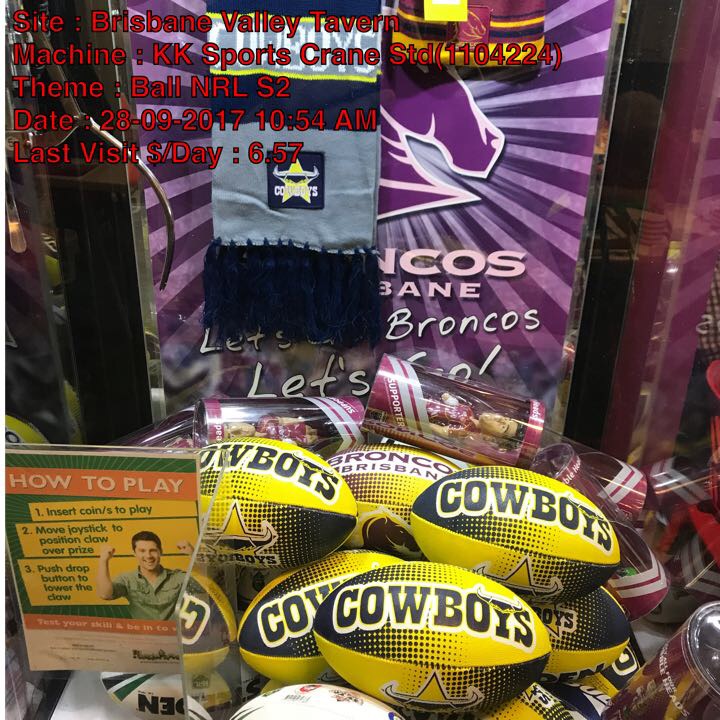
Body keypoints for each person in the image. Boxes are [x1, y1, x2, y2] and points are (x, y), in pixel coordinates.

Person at [95, 531, 194, 620]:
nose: (148, 556)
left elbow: (202, 586)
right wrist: (103, 560)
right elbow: (105, 594)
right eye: (142, 551)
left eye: (153, 550)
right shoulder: (127, 579)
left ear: (161, 551)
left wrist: (193, 555)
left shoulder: (177, 577)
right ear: (134, 553)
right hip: (142, 633)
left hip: (174, 633)